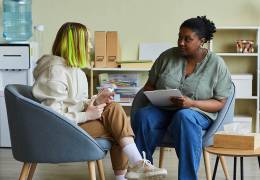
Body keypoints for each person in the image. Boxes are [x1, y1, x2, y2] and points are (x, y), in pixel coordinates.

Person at [32, 22, 167, 180]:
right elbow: (51, 117)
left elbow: (76, 103)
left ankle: (135, 166)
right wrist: (87, 116)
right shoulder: (55, 72)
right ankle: (136, 165)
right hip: (58, 132)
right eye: (87, 41)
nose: (90, 46)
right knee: (118, 128)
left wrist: (96, 101)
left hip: (72, 125)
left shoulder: (75, 71)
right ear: (75, 44)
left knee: (114, 112)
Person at [132, 16, 232, 180]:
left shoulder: (216, 64)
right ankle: (144, 170)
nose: (181, 42)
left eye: (188, 39)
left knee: (184, 116)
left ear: (202, 41)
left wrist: (192, 103)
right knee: (144, 115)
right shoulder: (167, 56)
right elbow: (149, 85)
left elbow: (220, 102)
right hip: (163, 108)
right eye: (179, 37)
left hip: (197, 112)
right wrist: (156, 97)